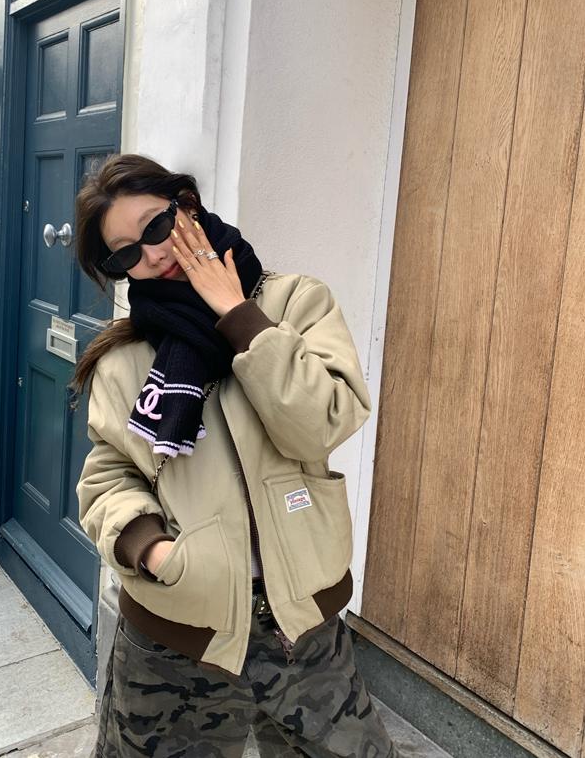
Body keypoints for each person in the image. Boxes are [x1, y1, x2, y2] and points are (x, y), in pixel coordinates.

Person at [74, 153, 400, 758]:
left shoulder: (296, 304)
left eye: (156, 226)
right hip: (176, 635)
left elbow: (322, 423)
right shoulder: (124, 359)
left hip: (302, 628)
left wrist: (238, 315)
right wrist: (152, 548)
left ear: (187, 205)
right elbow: (109, 475)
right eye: (125, 254)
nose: (152, 255)